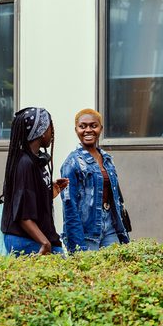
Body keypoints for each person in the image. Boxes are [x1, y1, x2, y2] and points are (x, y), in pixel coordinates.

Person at [0, 107, 69, 256]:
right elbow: (23, 216)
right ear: (42, 130)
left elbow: (27, 200)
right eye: (51, 126)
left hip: (36, 238)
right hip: (31, 240)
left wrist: (49, 192)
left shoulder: (35, 160)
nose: (53, 132)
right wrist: (45, 243)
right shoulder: (25, 164)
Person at [60, 108, 130, 252]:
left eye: (93, 125)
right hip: (87, 231)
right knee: (90, 273)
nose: (88, 130)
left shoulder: (107, 160)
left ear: (101, 129)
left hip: (110, 225)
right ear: (76, 130)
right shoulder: (71, 163)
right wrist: (77, 244)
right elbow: (69, 207)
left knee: (115, 269)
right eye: (82, 126)